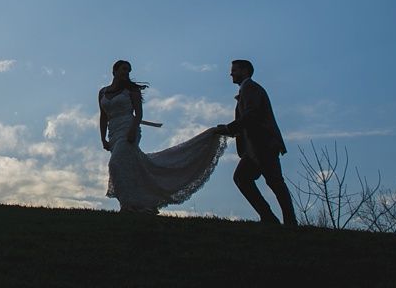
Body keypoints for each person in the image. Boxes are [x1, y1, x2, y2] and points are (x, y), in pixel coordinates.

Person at [99, 60, 226, 213]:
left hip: (128, 128)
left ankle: (129, 203)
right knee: (127, 167)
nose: (126, 73)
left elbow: (138, 114)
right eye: (123, 69)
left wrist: (132, 131)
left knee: (115, 163)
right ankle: (130, 204)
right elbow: (103, 117)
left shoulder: (132, 91)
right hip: (113, 132)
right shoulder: (103, 92)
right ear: (114, 71)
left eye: (128, 70)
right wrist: (103, 138)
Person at [215, 59, 297, 226]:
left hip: (263, 144)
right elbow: (248, 120)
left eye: (235, 70)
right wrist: (229, 130)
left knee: (273, 181)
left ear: (245, 71)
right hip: (255, 147)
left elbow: (251, 116)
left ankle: (287, 221)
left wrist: (229, 128)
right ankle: (270, 217)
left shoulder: (250, 88)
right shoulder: (247, 90)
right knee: (244, 178)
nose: (231, 74)